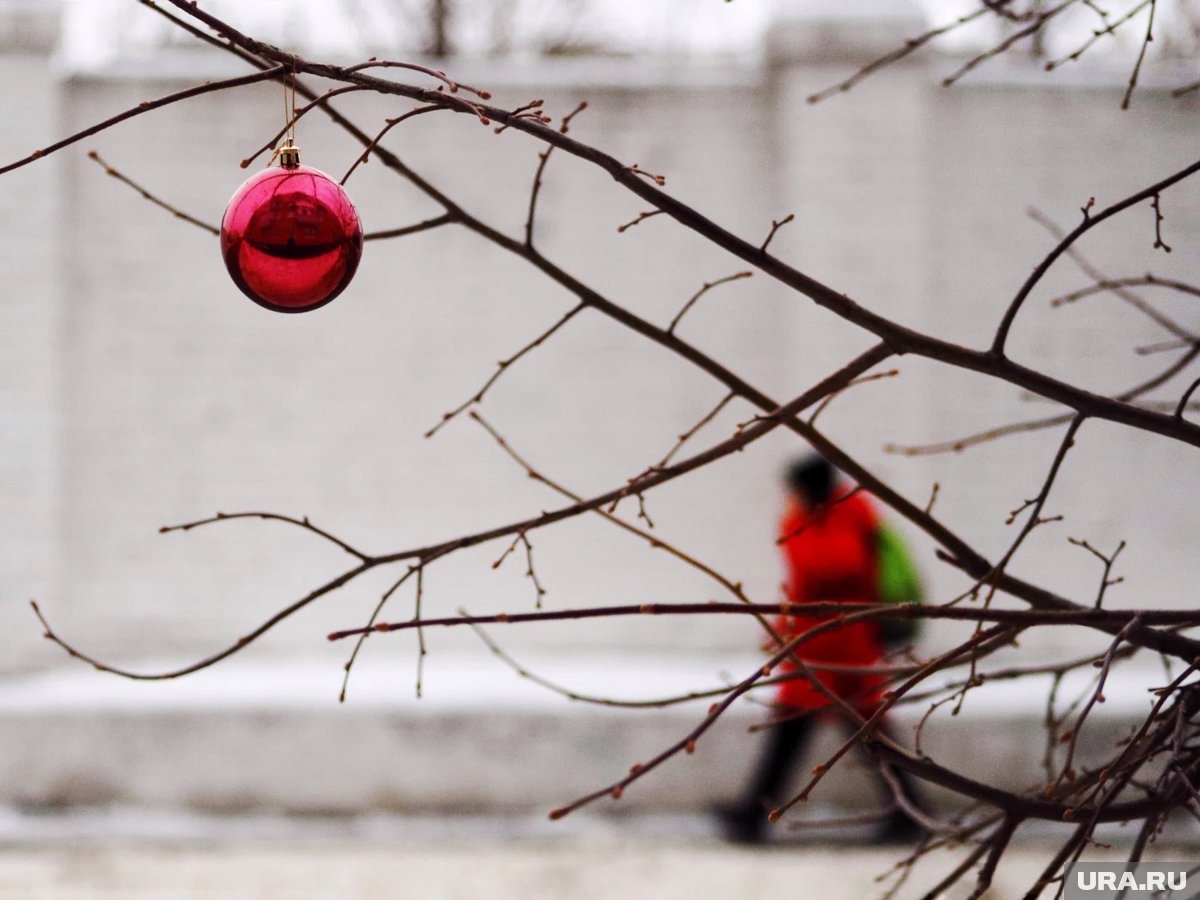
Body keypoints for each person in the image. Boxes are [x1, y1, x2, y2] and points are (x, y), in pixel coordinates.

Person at [715, 453, 928, 845]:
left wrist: (798, 528)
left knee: (844, 729)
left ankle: (755, 812)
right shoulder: (819, 515)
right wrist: (784, 626)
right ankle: (908, 809)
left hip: (843, 645)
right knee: (846, 730)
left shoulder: (846, 515)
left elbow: (830, 568)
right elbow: (801, 584)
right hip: (817, 643)